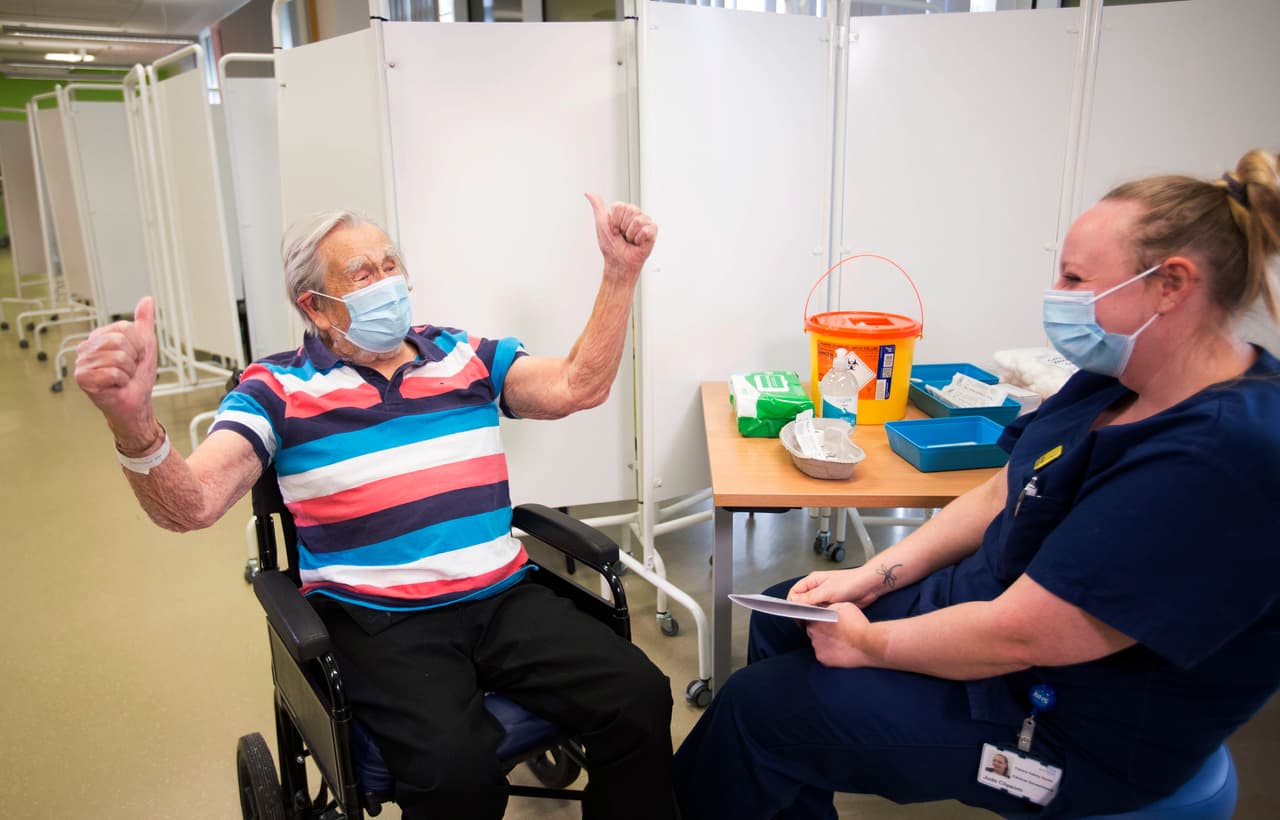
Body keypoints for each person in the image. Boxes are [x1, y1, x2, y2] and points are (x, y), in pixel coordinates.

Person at [673, 149, 1280, 819]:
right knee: (788, 613)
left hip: (1064, 723)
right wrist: (871, 577)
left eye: (1076, 278)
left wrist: (871, 644)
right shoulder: (1118, 377)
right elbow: (1000, 493)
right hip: (993, 625)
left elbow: (1028, 637)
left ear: (1171, 285)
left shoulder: (1224, 457)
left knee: (757, 714)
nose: (1060, 295)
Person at [74, 195, 676, 820]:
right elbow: (191, 504)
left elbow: (579, 384)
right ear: (315, 305)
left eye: (391, 265)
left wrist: (620, 271)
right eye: (363, 274)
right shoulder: (276, 388)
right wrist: (136, 425)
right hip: (379, 619)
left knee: (638, 695)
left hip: (502, 596)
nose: (387, 282)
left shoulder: (463, 354)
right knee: (456, 776)